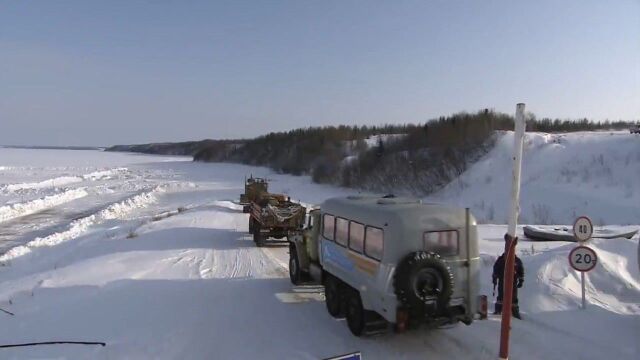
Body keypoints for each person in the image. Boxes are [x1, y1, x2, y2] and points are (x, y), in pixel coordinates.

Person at [492, 235, 525, 319]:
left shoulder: (516, 260)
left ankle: (514, 312)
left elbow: (520, 270)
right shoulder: (501, 259)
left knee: (513, 297)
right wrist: (495, 278)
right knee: (501, 295)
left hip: (513, 281)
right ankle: (498, 310)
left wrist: (521, 280)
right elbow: (495, 269)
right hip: (502, 279)